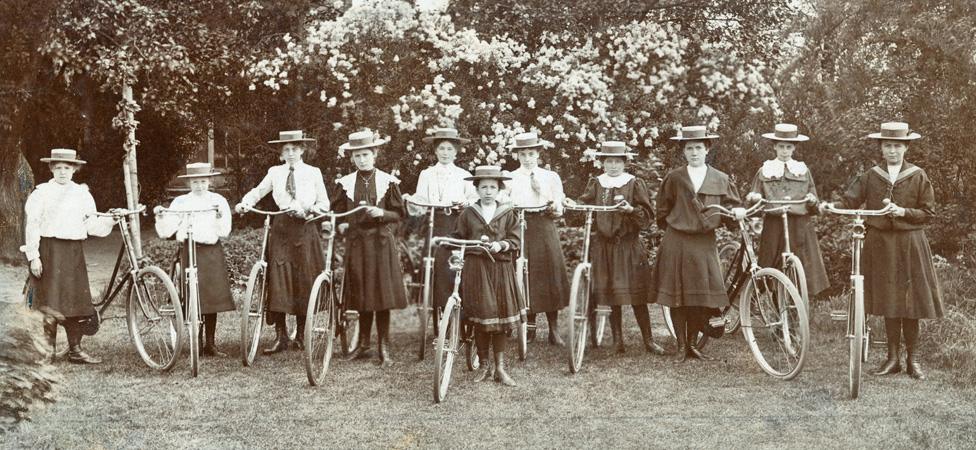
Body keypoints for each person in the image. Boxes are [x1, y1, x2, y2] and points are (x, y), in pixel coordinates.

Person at [822, 122, 943, 380]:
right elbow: (849, 200)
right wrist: (829, 206)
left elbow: (928, 213)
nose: (892, 151)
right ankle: (892, 359)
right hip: (881, 245)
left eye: (897, 146)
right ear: (881, 147)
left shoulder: (918, 176)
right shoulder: (871, 176)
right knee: (890, 300)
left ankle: (913, 359)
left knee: (909, 304)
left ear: (906, 147)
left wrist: (902, 212)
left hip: (910, 244)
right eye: (887, 145)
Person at [652, 126, 744, 362]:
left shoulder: (721, 179)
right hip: (677, 242)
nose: (694, 152)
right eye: (689, 148)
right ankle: (681, 346)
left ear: (707, 149)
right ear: (684, 151)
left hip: (704, 244)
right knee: (677, 296)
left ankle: (693, 343)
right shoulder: (674, 178)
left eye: (699, 148)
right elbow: (661, 212)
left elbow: (732, 209)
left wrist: (737, 214)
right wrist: (679, 225)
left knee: (699, 297)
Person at [235, 130, 330, 354]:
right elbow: (259, 191)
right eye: (286, 149)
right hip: (281, 228)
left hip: (305, 227)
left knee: (303, 277)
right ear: (281, 152)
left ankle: (301, 334)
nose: (290, 153)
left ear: (302, 150)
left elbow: (324, 202)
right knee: (278, 277)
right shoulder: (275, 172)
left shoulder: (313, 172)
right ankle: (281, 335)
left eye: (294, 149)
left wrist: (313, 209)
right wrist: (245, 202)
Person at [570, 141, 666, 355]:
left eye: (617, 161)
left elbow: (647, 216)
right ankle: (618, 340)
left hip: (628, 246)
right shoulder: (597, 183)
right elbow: (583, 204)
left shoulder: (633, 183)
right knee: (613, 294)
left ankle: (648, 340)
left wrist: (631, 209)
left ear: (624, 162)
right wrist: (573, 204)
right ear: (602, 163)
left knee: (636, 295)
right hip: (604, 247)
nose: (613, 166)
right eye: (608, 161)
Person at [22, 148, 115, 364]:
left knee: (76, 300)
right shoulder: (41, 193)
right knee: (50, 301)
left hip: (73, 252)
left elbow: (91, 224)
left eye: (67, 168)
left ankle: (75, 349)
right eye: (58, 168)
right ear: (52, 169)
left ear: (74, 170)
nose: (63, 172)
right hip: (49, 250)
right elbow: (32, 226)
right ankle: (48, 352)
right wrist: (33, 256)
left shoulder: (82, 194)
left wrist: (110, 220)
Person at [332, 130, 408, 367]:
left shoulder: (388, 182)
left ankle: (384, 347)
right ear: (352, 158)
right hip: (357, 245)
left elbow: (400, 215)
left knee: (381, 295)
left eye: (365, 155)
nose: (361, 160)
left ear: (374, 154)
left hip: (380, 243)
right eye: (357, 156)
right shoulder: (344, 184)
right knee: (363, 293)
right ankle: (363, 344)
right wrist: (341, 224)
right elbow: (335, 213)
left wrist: (382, 213)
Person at [155, 163, 235, 357]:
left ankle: (211, 343)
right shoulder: (181, 202)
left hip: (211, 251)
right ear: (189, 182)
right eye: (195, 181)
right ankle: (196, 342)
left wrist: (218, 216)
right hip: (190, 251)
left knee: (211, 297)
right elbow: (168, 229)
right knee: (193, 296)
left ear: (209, 181)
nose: (200, 185)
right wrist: (160, 216)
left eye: (203, 181)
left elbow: (225, 230)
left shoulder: (218, 200)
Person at [453, 166, 522, 386]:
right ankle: (484, 365)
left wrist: (501, 245)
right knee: (482, 317)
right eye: (484, 187)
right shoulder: (468, 213)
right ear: (476, 189)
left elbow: (515, 240)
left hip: (501, 269)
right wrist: (460, 250)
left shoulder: (508, 213)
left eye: (493, 187)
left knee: (500, 318)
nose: (488, 191)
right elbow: (457, 238)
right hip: (476, 269)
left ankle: (500, 367)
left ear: (500, 189)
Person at [745, 123, 829, 297]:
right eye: (781, 146)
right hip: (774, 224)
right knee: (773, 267)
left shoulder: (802, 171)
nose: (784, 151)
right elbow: (754, 201)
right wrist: (754, 198)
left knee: (802, 268)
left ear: (794, 148)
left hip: (800, 226)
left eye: (788, 147)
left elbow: (814, 203)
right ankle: (777, 311)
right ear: (774, 146)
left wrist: (813, 201)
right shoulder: (765, 170)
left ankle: (799, 311)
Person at [503, 132, 570, 345]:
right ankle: (529, 327)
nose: (527, 158)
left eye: (531, 153)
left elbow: (559, 209)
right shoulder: (510, 178)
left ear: (538, 154)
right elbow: (504, 203)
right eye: (523, 154)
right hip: (520, 226)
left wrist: (543, 194)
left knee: (548, 273)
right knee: (525, 272)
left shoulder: (550, 177)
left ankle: (553, 329)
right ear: (517, 156)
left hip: (544, 225)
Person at [407, 127, 478, 314]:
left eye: (449, 149)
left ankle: (459, 313)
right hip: (435, 223)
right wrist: (413, 200)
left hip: (456, 223)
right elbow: (421, 200)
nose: (445, 153)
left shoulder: (463, 174)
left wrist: (464, 204)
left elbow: (473, 199)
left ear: (456, 151)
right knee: (436, 268)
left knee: (454, 267)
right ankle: (437, 317)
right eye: (441, 149)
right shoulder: (427, 174)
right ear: (435, 151)